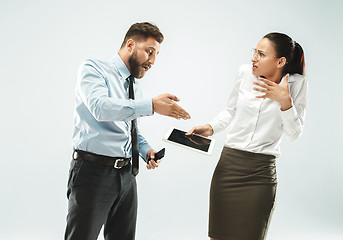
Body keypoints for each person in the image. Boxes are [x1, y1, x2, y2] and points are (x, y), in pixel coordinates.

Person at [65, 22, 190, 240]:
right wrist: (151, 105)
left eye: (156, 55)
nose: (152, 61)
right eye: (149, 52)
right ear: (130, 45)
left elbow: (130, 129)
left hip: (126, 176)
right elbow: (100, 108)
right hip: (93, 171)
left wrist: (146, 150)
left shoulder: (135, 85)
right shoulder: (93, 68)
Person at [187, 32, 308, 240]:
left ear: (281, 61)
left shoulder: (297, 84)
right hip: (228, 167)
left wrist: (285, 101)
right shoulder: (244, 73)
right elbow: (230, 110)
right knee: (217, 236)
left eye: (261, 54)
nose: (253, 58)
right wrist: (210, 127)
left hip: (261, 173)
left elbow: (294, 134)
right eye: (255, 52)